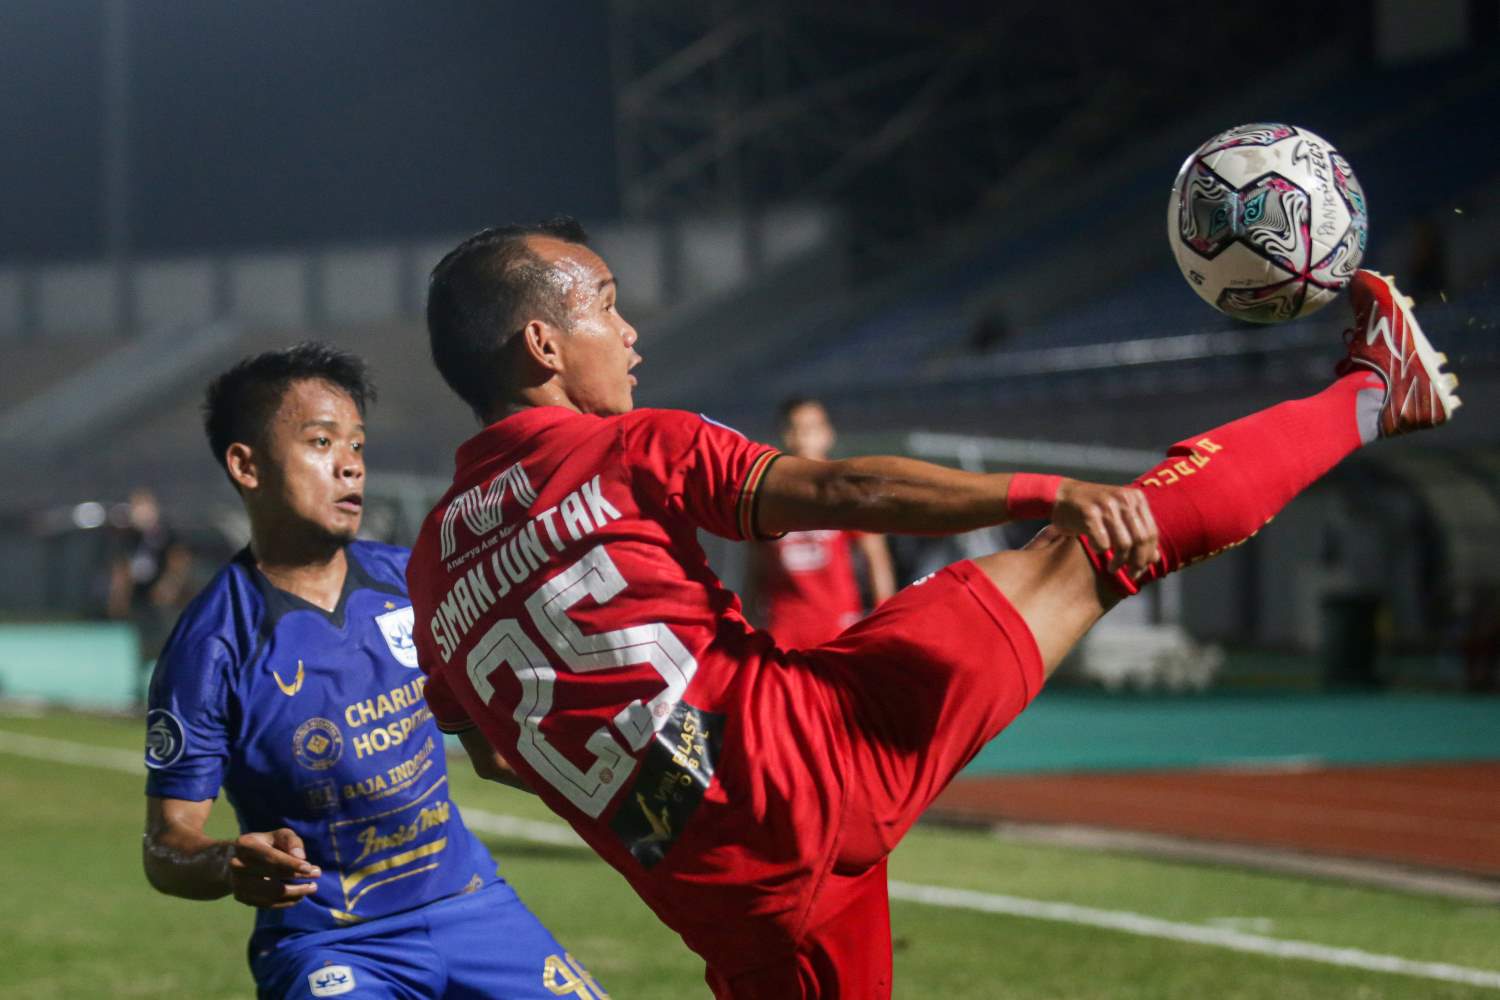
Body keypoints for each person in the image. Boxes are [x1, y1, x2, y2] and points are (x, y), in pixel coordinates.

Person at [407, 217, 1459, 998]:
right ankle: (1376, 391)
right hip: (814, 756)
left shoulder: (430, 567)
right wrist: (1038, 491)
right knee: (1099, 541)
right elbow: (846, 492)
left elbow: (496, 754)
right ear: (544, 344)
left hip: (728, 896)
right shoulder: (627, 446)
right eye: (605, 301)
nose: (631, 330)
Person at [141, 344, 605, 1000]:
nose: (352, 463)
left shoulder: (416, 581)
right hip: (329, 943)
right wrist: (224, 862)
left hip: (471, 907)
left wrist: (635, 788)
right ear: (246, 465)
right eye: (322, 441)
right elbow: (166, 846)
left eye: (357, 444)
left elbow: (496, 753)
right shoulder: (209, 645)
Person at [745, 397, 895, 648]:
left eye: (811, 428)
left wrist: (884, 615)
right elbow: (756, 566)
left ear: (827, 434)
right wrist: (747, 622)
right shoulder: (769, 493)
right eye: (795, 428)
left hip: (837, 621)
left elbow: (876, 557)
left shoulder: (846, 490)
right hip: (785, 626)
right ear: (785, 434)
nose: (804, 436)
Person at [106, 486, 194, 701]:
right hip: (140, 597)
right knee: (142, 644)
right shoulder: (129, 536)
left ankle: (175, 687)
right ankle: (141, 689)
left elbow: (179, 561)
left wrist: (168, 586)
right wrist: (119, 596)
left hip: (163, 600)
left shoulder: (166, 533)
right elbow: (123, 568)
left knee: (168, 640)